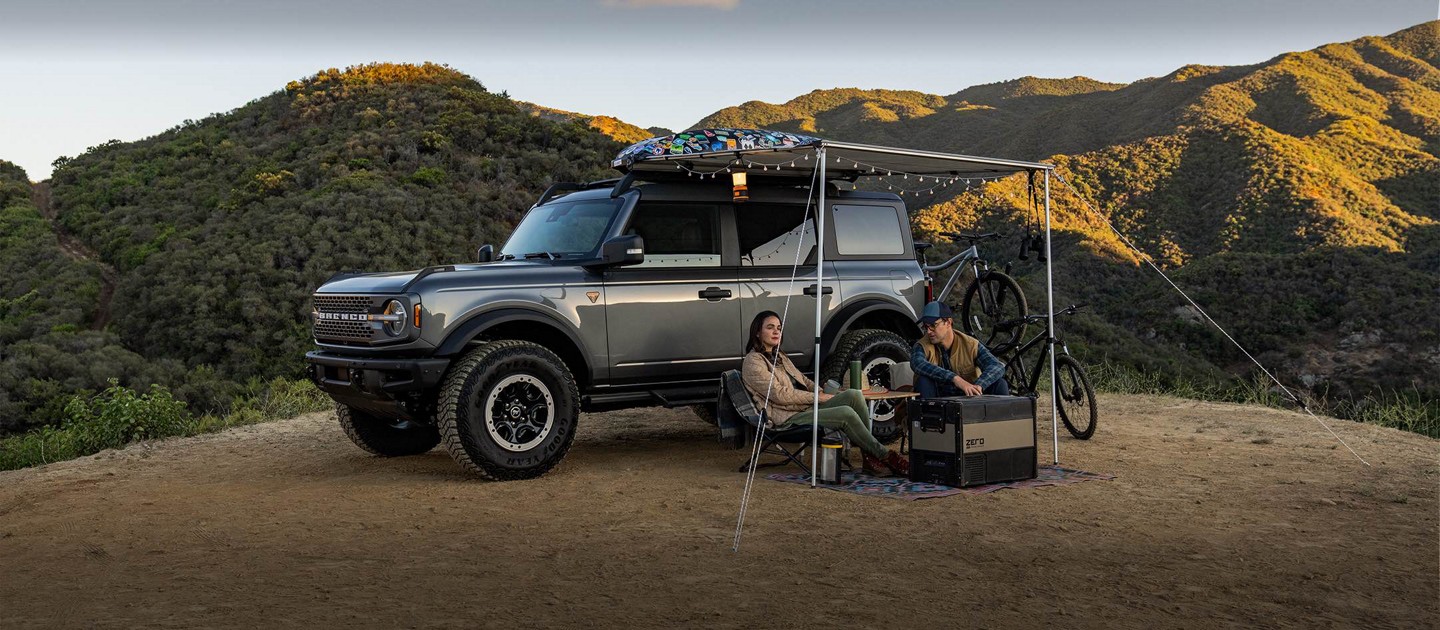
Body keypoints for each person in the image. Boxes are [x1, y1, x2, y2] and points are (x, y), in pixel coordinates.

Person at [740, 311, 909, 476]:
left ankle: (869, 459)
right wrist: (817, 398)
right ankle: (886, 456)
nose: (776, 331)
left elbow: (804, 381)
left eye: (779, 327)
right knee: (845, 413)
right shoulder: (753, 361)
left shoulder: (779, 356)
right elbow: (779, 395)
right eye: (770, 327)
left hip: (802, 407)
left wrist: (819, 390)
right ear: (757, 332)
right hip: (785, 417)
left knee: (854, 395)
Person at [911, 301, 1010, 399]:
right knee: (923, 381)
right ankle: (928, 415)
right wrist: (955, 379)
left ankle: (1002, 415)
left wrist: (979, 386)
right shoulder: (922, 345)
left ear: (948, 322)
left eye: (933, 325)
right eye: (925, 326)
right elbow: (917, 363)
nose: (928, 331)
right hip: (938, 401)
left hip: (968, 398)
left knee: (1000, 384)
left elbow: (996, 366)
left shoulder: (970, 344)